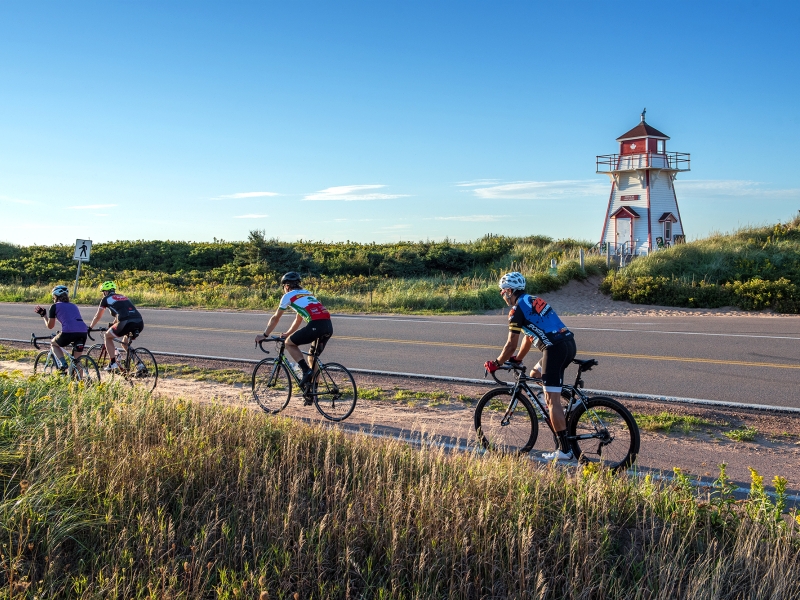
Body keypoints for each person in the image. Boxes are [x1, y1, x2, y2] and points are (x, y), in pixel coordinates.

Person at [484, 272, 577, 462]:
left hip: (554, 349)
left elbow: (511, 344)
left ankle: (565, 450)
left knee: (552, 401)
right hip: (568, 344)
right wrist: (518, 358)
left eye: (502, 292)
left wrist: (496, 364)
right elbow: (529, 335)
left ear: (509, 291)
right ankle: (568, 406)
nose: (502, 296)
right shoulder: (533, 300)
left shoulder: (516, 309)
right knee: (535, 374)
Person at [255, 272, 333, 395]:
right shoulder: (307, 293)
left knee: (289, 343)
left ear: (286, 286)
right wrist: (288, 332)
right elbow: (299, 318)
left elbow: (276, 318)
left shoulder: (288, 296)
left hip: (316, 325)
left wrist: (264, 335)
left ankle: (306, 371)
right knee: (312, 357)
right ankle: (313, 391)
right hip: (328, 325)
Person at [88, 281, 145, 371]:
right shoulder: (123, 297)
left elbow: (98, 316)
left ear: (106, 292)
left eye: (103, 292)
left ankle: (113, 363)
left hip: (125, 322)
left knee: (107, 336)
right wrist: (113, 324)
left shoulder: (106, 299)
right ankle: (139, 365)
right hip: (139, 321)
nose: (103, 294)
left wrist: (90, 328)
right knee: (125, 345)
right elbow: (121, 313)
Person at [34, 285, 88, 369]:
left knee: (53, 343)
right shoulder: (74, 305)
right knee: (77, 360)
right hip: (83, 332)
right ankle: (80, 381)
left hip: (68, 332)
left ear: (55, 297)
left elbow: (50, 326)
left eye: (53, 297)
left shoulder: (54, 306)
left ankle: (63, 363)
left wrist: (44, 315)